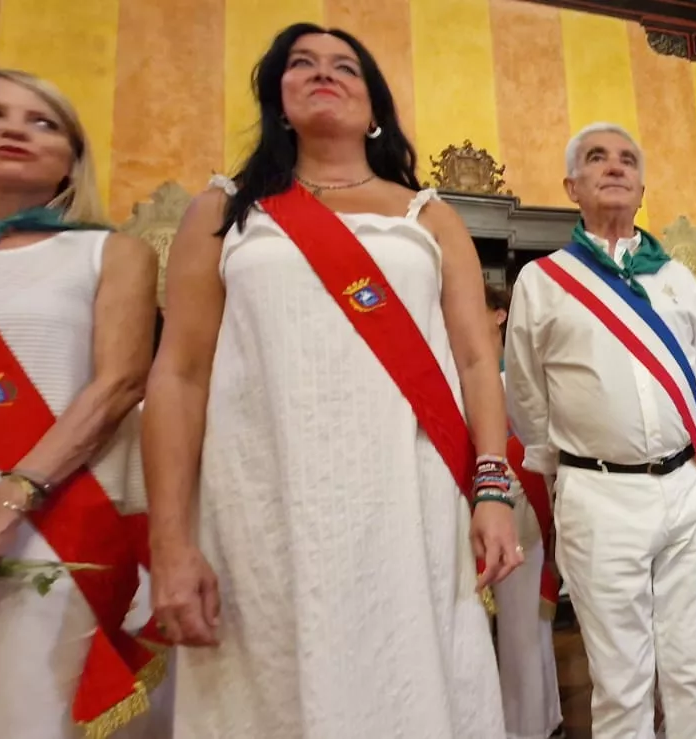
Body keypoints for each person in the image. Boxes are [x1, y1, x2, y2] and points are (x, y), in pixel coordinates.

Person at [144, 24, 520, 738]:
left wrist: (493, 491)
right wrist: (171, 540)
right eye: (303, 64)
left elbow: (478, 359)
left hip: (408, 505)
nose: (325, 73)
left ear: (373, 105)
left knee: (410, 677)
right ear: (278, 100)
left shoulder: (429, 216)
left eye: (346, 66)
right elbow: (180, 374)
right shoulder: (225, 212)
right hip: (264, 506)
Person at [505, 122, 696, 739]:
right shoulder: (543, 281)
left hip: (686, 488)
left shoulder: (678, 279)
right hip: (597, 494)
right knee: (622, 680)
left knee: (692, 669)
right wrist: (576, 467)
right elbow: (526, 396)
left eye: (628, 159)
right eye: (597, 158)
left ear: (642, 184)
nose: (615, 167)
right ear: (571, 185)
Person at [0, 68, 167, 739]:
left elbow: (118, 383)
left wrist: (6, 500)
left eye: (42, 121)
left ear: (70, 159)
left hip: (44, 518)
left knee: (32, 721)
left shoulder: (107, 252)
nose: (11, 129)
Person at [485, 284, 566, 739]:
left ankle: (523, 727)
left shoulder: (505, 373)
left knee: (520, 624)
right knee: (528, 624)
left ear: (499, 316)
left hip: (515, 494)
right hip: (517, 492)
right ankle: (545, 712)